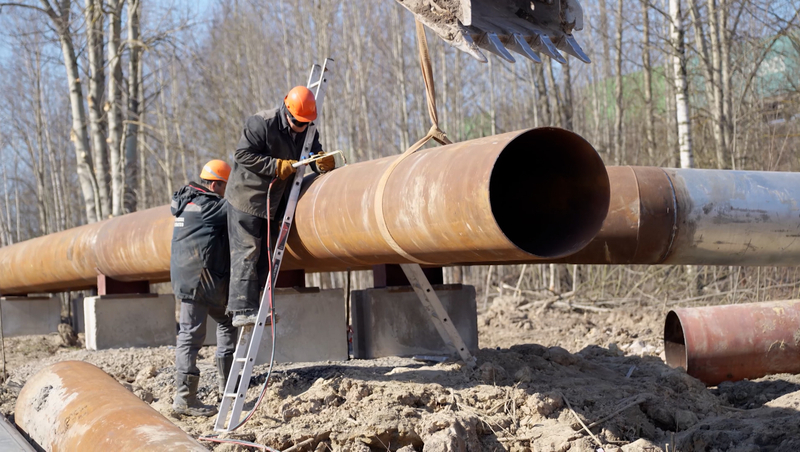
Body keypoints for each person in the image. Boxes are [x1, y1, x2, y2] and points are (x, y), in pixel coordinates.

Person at [226, 86, 336, 327]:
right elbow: (243, 155)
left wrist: (322, 162)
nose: (301, 127)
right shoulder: (262, 123)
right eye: (297, 122)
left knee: (267, 256)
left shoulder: (309, 129)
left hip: (275, 203)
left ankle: (258, 308)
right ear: (287, 112)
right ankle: (242, 310)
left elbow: (312, 154)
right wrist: (276, 166)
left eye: (305, 123)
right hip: (247, 198)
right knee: (247, 252)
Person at [170, 159, 237, 417]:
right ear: (214, 184)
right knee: (191, 335)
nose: (225, 192)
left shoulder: (187, 203)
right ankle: (186, 398)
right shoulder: (208, 205)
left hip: (192, 278)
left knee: (226, 321)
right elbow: (238, 209)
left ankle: (226, 387)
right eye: (224, 186)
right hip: (200, 279)